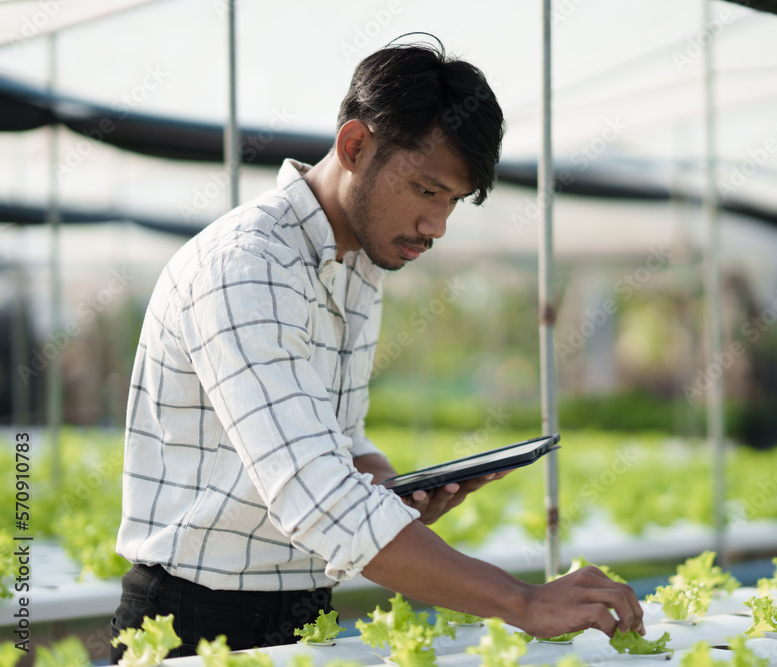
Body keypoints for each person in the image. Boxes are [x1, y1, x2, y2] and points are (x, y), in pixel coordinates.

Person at [110, 37, 643, 663]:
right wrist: (522, 602)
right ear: (355, 146)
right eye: (426, 190)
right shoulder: (246, 268)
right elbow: (315, 496)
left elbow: (340, 445)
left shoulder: (357, 265)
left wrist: (394, 489)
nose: (437, 226)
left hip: (303, 611)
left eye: (452, 201)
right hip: (194, 620)